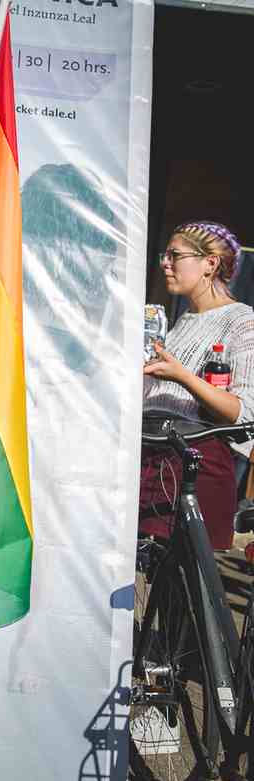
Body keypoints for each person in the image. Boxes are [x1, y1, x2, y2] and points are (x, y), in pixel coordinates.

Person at [142, 221, 254, 550]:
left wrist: (183, 376)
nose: (165, 263)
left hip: (194, 466)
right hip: (152, 456)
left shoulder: (242, 321)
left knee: (174, 579)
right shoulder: (181, 322)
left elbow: (244, 412)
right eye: (165, 256)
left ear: (210, 264)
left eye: (175, 255)